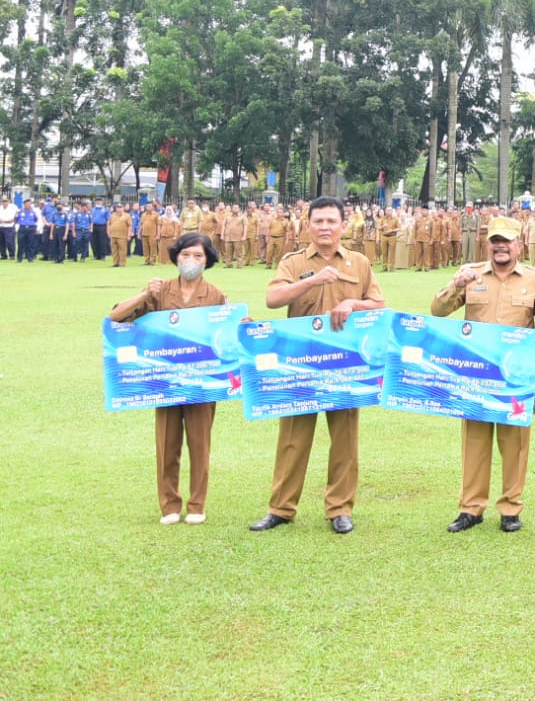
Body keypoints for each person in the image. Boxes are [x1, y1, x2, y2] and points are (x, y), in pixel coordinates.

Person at [250, 197, 386, 536]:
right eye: (318, 221)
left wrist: (353, 302)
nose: (325, 227)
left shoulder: (359, 263)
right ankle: (281, 508)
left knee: (344, 439)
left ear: (343, 225)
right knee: (293, 439)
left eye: (331, 221)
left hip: (346, 364)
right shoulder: (293, 262)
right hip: (302, 363)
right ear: (307, 225)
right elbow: (273, 299)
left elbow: (379, 306)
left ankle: (339, 509)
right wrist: (312, 280)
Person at [430, 216, 535, 534]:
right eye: (495, 240)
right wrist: (456, 285)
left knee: (515, 443)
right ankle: (471, 508)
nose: (500, 246)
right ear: (487, 244)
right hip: (476, 376)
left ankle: (510, 508)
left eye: (507, 240)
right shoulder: (470, 274)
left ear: (519, 245)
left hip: (514, 375)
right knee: (475, 442)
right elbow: (437, 312)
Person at [109, 232, 229, 525]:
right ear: (175, 257)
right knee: (167, 444)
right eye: (185, 255)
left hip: (201, 384)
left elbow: (229, 332)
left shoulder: (215, 295)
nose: (191, 261)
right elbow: (115, 318)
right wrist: (144, 294)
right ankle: (170, 505)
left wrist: (243, 323)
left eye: (198, 256)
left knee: (200, 444)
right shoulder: (160, 290)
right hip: (164, 383)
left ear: (207, 261)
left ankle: (197, 505)